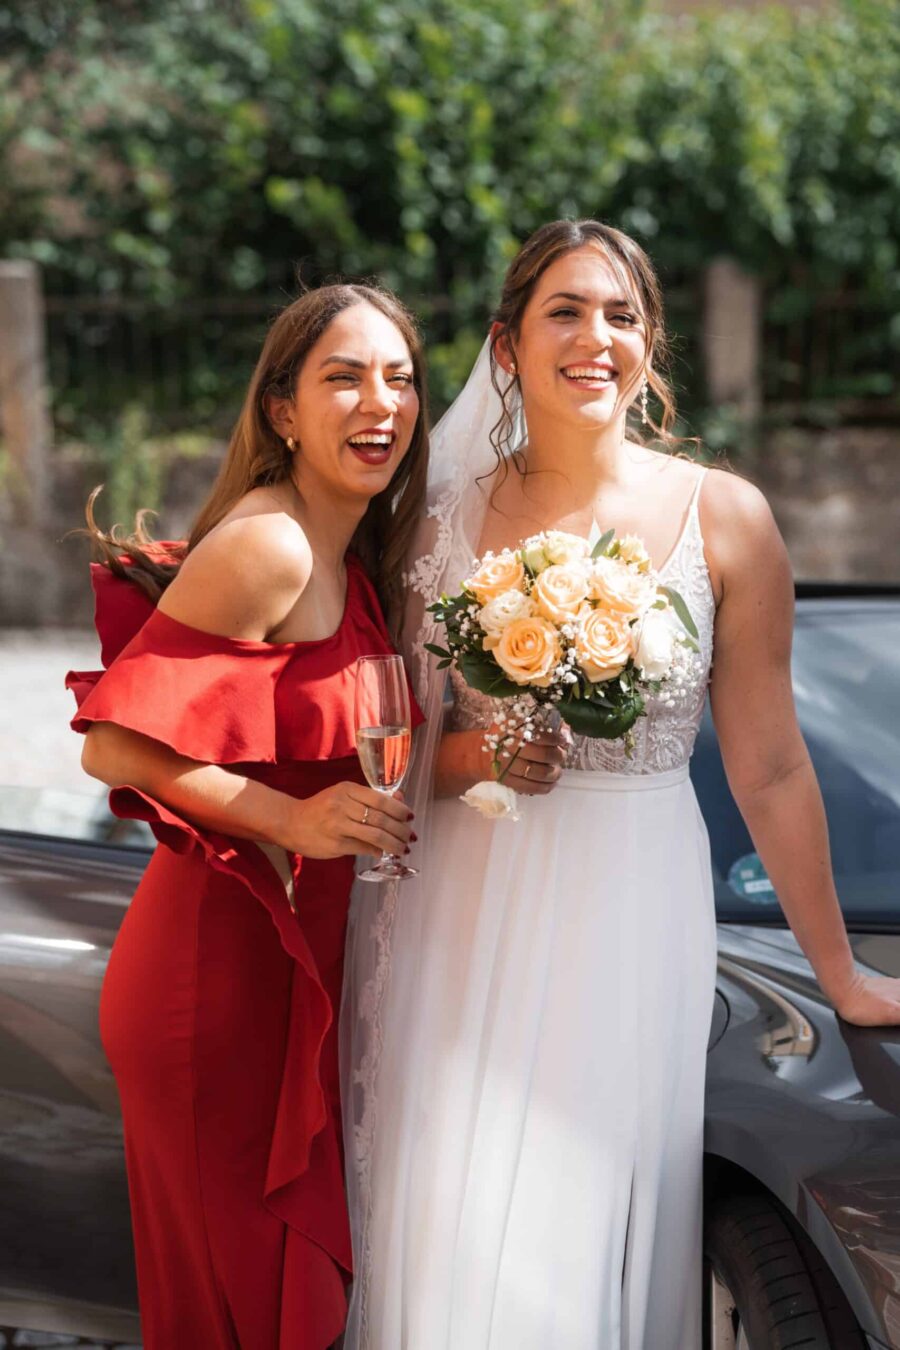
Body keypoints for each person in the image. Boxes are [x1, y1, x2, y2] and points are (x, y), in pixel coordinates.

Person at [341, 220, 900, 1350]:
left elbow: (774, 764)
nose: (597, 336)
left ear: (649, 346)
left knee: (588, 1219)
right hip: (467, 909)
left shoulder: (725, 518)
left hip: (634, 910)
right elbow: (381, 741)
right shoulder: (429, 524)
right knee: (454, 1208)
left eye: (623, 314)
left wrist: (840, 971)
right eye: (565, 310)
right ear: (506, 345)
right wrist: (485, 756)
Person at [66, 282, 427, 1350]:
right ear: (281, 411)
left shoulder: (353, 551)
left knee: (284, 1313)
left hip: (299, 979)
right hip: (214, 981)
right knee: (236, 1311)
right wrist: (295, 823)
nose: (381, 403)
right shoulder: (270, 544)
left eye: (401, 379)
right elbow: (115, 743)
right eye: (345, 377)